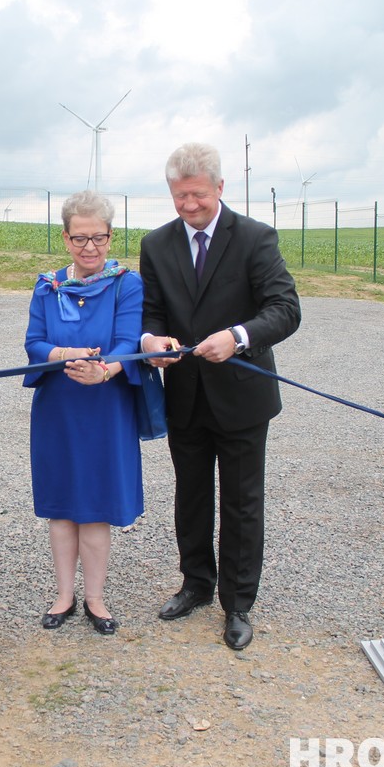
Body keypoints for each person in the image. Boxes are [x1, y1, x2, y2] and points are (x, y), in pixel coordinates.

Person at [139, 142, 300, 651]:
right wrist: (151, 341)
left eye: (198, 195)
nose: (188, 205)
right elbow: (152, 311)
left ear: (220, 188)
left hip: (242, 395)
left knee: (242, 501)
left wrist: (239, 335)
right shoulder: (157, 244)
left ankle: (239, 602)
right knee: (191, 496)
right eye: (179, 196)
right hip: (184, 394)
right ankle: (196, 585)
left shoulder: (254, 238)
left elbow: (285, 309)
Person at [23, 191, 143, 635]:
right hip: (58, 409)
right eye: (80, 238)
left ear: (112, 236)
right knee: (61, 506)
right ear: (65, 237)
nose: (90, 247)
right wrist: (63, 353)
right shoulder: (48, 285)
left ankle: (95, 598)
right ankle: (63, 596)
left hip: (106, 407)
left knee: (95, 506)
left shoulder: (127, 284)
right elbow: (33, 343)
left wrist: (106, 371)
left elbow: (130, 341)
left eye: (99, 237)